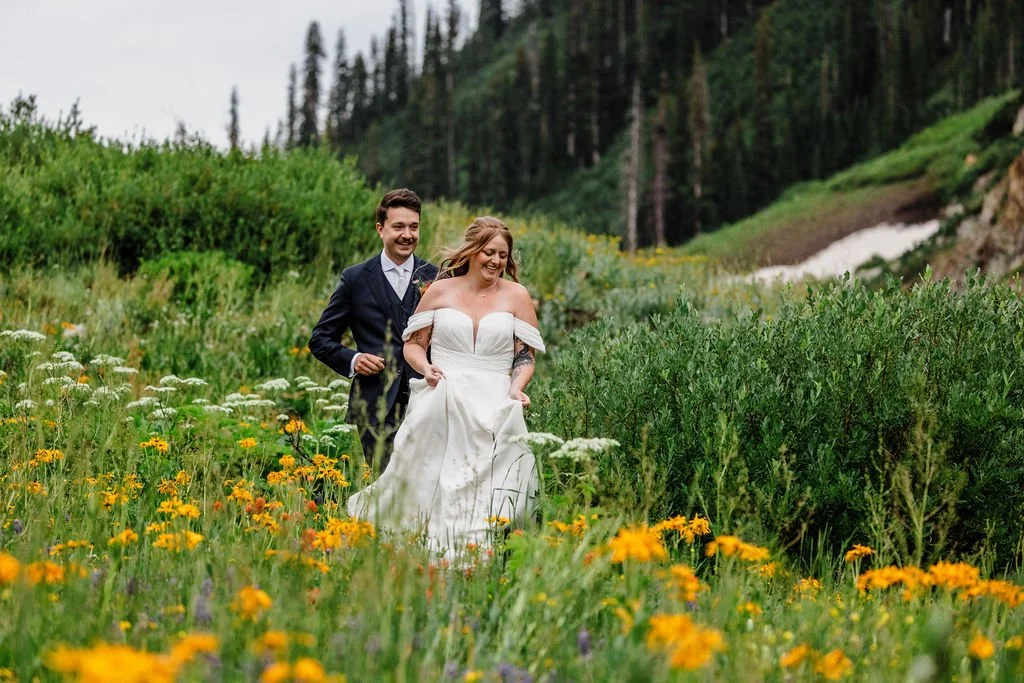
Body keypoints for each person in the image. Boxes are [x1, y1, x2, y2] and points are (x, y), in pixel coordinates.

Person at [346, 216, 545, 555]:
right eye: (488, 252)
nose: (495, 261)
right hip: (444, 397)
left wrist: (516, 387)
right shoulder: (439, 290)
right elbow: (413, 345)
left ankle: (481, 547)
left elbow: (524, 357)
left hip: (494, 401)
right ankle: (423, 545)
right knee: (434, 477)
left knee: (490, 484)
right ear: (470, 252)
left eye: (502, 254)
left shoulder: (517, 296)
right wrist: (426, 369)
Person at [309, 189, 439, 470]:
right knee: (386, 492)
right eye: (399, 227)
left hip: (429, 400)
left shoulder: (437, 276)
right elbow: (320, 339)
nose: (407, 234)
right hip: (375, 403)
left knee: (428, 488)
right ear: (380, 229)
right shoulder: (355, 279)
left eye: (414, 227)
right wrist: (354, 360)